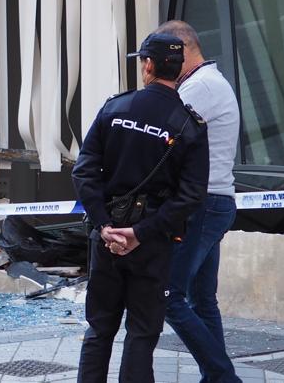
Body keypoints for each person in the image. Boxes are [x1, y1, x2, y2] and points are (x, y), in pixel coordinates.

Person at [71, 32, 209, 382]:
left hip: (106, 238)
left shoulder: (115, 108)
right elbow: (191, 195)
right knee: (142, 334)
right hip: (153, 242)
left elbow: (84, 171)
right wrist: (139, 233)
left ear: (148, 65)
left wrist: (105, 226)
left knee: (99, 329)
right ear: (179, 70)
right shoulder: (188, 125)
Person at [154, 21, 241, 382]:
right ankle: (216, 377)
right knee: (202, 299)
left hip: (203, 204)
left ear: (183, 51)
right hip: (213, 202)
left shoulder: (201, 86)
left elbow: (163, 133)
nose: (157, 67)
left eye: (163, 58)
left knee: (169, 295)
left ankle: (222, 375)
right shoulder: (207, 83)